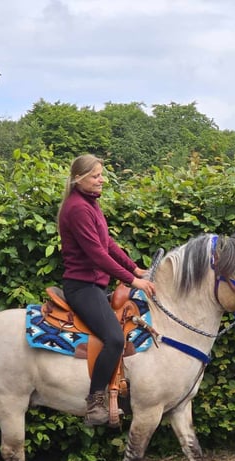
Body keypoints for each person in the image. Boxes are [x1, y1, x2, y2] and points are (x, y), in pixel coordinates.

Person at [57, 154, 156, 426]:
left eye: (101, 175)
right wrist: (134, 281)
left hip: (94, 285)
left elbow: (108, 244)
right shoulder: (77, 209)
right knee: (114, 338)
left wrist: (134, 268)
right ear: (79, 178)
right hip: (82, 287)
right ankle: (95, 401)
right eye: (95, 176)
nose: (101, 180)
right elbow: (98, 255)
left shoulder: (91, 204)